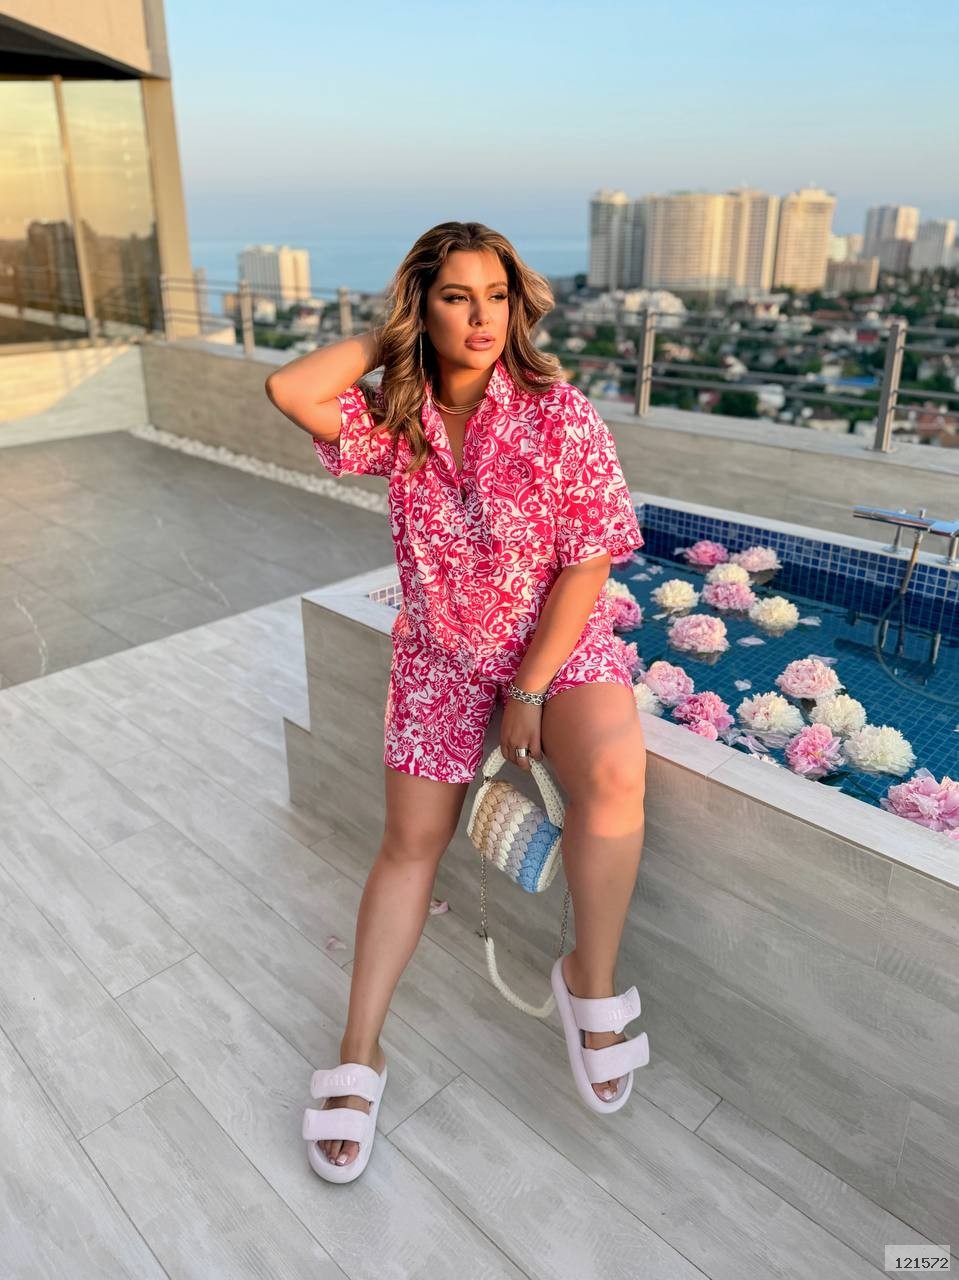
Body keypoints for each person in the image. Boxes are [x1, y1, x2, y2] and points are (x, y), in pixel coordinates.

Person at [265, 220, 648, 1179]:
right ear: (421, 308)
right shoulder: (395, 422)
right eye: (455, 297)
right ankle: (360, 1051)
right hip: (440, 655)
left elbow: (588, 559)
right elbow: (290, 390)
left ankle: (587, 980)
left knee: (612, 770)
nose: (481, 318)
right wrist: (389, 335)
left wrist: (527, 689)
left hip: (552, 645)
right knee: (408, 844)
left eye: (496, 297)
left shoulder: (559, 415)